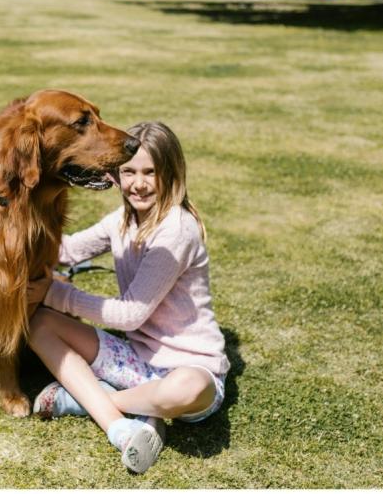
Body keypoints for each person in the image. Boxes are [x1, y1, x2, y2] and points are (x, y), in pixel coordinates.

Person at [26, 121, 230, 474]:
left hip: (192, 371)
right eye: (129, 171)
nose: (138, 183)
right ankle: (123, 425)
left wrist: (55, 292)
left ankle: (85, 400)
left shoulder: (176, 230)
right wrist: (18, 239)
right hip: (136, 361)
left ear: (172, 174)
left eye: (150, 172)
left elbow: (130, 315)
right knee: (40, 323)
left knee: (182, 390)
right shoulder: (121, 220)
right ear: (115, 173)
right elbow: (69, 250)